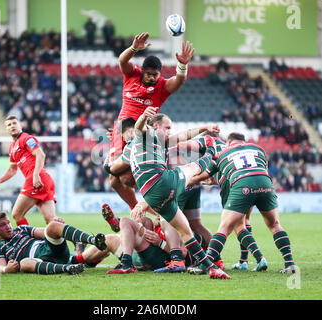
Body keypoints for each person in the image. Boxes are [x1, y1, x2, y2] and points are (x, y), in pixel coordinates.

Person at [108, 106, 230, 279]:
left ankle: (211, 268)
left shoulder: (150, 143)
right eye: (167, 127)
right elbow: (138, 128)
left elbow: (184, 135)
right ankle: (212, 151)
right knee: (192, 169)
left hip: (151, 195)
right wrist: (143, 116)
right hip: (162, 182)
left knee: (186, 231)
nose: (170, 131)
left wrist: (203, 128)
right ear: (155, 126)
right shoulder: (146, 134)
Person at [187, 132, 296, 276]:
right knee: (275, 224)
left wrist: (187, 180)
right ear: (243, 142)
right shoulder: (258, 149)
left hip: (242, 184)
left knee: (225, 226)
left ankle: (204, 266)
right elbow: (262, 169)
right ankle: (290, 264)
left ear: (229, 142)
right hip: (265, 182)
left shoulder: (223, 153)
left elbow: (205, 175)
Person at [108, 31, 195, 210]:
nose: (152, 78)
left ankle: (157, 206)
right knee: (114, 181)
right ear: (143, 71)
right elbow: (122, 61)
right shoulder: (132, 75)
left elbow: (178, 81)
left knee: (125, 177)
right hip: (122, 131)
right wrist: (133, 48)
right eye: (149, 74)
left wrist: (182, 66)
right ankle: (137, 210)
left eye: (155, 74)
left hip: (142, 135)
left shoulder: (161, 86)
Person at [0, 115, 61, 226]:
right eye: (9, 125)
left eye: (14, 123)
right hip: (44, 181)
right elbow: (12, 169)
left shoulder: (26, 138)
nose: (12, 126)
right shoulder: (12, 148)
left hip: (36, 179)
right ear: (6, 129)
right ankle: (76, 238)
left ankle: (27, 242)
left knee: (17, 214)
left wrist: (36, 175)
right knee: (52, 221)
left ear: (20, 125)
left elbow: (40, 154)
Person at [0, 210, 106, 275]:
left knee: (52, 226)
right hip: (40, 260)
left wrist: (58, 228)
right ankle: (68, 268)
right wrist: (6, 269)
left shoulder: (21, 229)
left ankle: (93, 240)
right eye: (3, 225)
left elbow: (45, 231)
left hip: (50, 249)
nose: (8, 227)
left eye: (8, 223)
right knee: (24, 264)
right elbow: (0, 266)